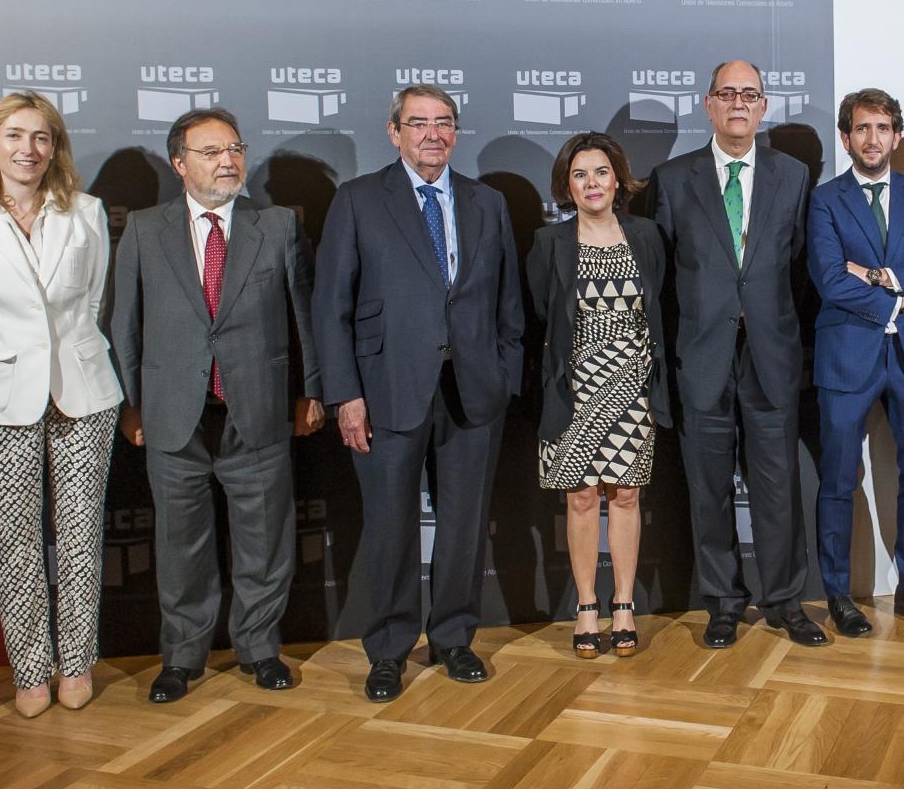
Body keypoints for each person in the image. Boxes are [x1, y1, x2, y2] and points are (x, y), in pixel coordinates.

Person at [314, 84, 523, 701]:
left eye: (444, 122)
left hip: (474, 392)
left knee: (462, 527)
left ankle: (454, 639)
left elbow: (508, 301)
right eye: (419, 123)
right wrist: (345, 395)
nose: (433, 133)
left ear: (456, 131)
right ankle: (388, 651)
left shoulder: (487, 203)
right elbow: (332, 310)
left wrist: (505, 374)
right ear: (393, 130)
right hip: (385, 393)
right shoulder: (357, 201)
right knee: (389, 526)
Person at [110, 108, 324, 703]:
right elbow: (123, 324)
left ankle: (259, 649)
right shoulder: (147, 230)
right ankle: (182, 657)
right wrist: (131, 407)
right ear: (180, 164)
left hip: (256, 409)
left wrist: (311, 390)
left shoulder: (277, 224)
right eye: (210, 152)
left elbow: (304, 316)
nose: (227, 160)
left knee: (266, 539)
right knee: (181, 546)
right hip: (172, 415)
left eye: (234, 148)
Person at [0, 92, 122, 716]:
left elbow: (94, 303)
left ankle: (77, 662)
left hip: (82, 390)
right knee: (12, 538)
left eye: (42, 138)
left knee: (79, 535)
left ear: (55, 148)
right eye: (14, 136)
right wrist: (7, 357)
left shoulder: (86, 212)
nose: (28, 150)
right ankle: (31, 670)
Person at [646, 59, 824, 649]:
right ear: (708, 104)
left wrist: (769, 321)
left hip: (772, 355)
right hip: (701, 358)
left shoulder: (793, 176)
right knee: (709, 486)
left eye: (750, 94)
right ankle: (722, 601)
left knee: (779, 488)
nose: (739, 103)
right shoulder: (673, 179)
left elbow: (800, 267)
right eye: (728, 94)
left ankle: (785, 600)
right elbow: (663, 277)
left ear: (764, 106)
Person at [806, 87, 904, 636]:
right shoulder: (826, 200)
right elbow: (828, 279)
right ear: (846, 137)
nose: (872, 139)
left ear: (896, 136)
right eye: (862, 128)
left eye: (882, 128)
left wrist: (883, 279)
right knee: (838, 481)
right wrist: (900, 299)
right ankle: (839, 595)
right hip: (847, 356)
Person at [528, 133, 669, 657]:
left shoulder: (648, 237)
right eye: (581, 174)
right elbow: (541, 319)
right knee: (581, 497)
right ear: (567, 185)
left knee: (627, 495)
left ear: (618, 179)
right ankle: (587, 605)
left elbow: (659, 310)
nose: (593, 183)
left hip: (634, 385)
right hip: (574, 390)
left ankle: (625, 603)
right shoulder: (550, 244)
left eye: (601, 172)